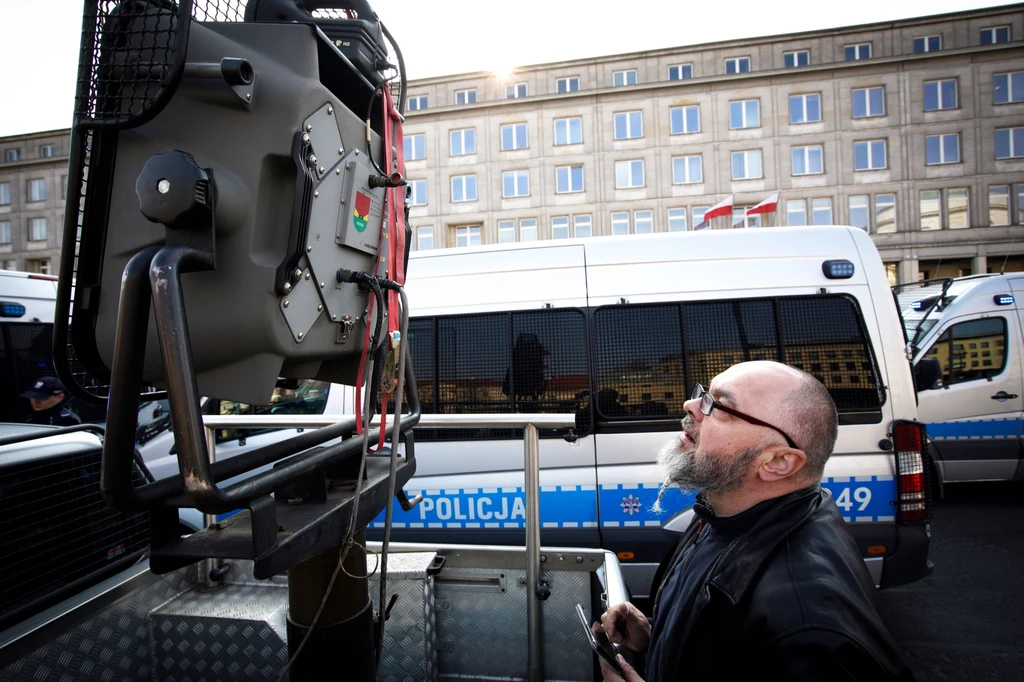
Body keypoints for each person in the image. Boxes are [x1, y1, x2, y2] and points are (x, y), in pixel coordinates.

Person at [599, 361, 914, 682]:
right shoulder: (722, 514)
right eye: (705, 394)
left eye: (719, 406)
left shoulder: (808, 632)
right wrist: (653, 637)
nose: (691, 405)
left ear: (778, 461)